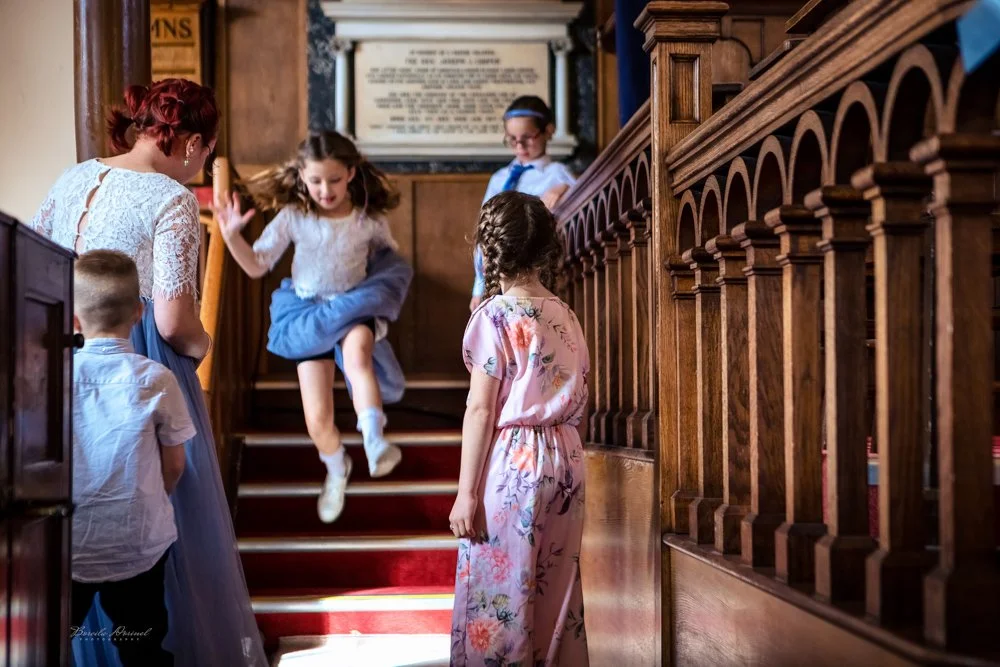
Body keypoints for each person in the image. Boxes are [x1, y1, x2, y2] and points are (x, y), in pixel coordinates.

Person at [31, 78, 266, 667]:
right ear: (189, 142)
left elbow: (35, 262)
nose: (203, 162)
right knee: (160, 504)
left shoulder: (75, 176)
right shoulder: (170, 197)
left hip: (61, 351)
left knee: (75, 499)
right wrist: (203, 343)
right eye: (206, 150)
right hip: (136, 354)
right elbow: (171, 318)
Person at [214, 130, 412, 524]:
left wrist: (379, 287)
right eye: (316, 180)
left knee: (358, 358)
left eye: (335, 180)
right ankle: (337, 467)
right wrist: (232, 236)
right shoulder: (294, 217)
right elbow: (256, 266)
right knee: (317, 418)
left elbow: (391, 262)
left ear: (352, 174)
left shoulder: (367, 219)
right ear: (302, 175)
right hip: (307, 313)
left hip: (352, 307)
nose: (325, 190)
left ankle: (374, 440)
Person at [449, 192, 590, 666]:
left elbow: (480, 411)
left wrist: (467, 493)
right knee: (556, 591)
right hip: (567, 458)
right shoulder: (566, 315)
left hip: (516, 461)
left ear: (488, 251)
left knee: (499, 595)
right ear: (545, 250)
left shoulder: (493, 316)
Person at [71, 250, 190, 667]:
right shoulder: (156, 377)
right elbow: (174, 465)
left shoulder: (54, 375)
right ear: (140, 313)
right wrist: (157, 498)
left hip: (71, 543)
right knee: (142, 647)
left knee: (50, 641)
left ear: (73, 318)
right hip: (138, 539)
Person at [470, 96, 577, 311]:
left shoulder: (558, 175)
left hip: (536, 278)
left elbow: (582, 198)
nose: (520, 146)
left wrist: (565, 189)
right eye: (512, 139)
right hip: (495, 277)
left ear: (548, 131)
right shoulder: (499, 179)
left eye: (528, 137)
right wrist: (478, 287)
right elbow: (485, 234)